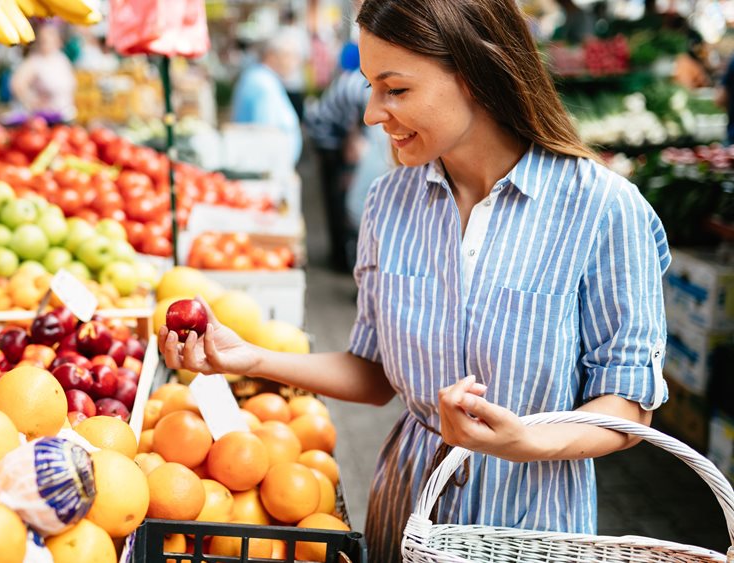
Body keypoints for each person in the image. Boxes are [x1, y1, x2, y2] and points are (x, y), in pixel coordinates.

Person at [159, 1, 671, 562]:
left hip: (531, 525)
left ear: (477, 76)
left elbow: (627, 405)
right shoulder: (388, 204)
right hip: (407, 510)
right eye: (370, 87)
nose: (371, 113)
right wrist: (248, 358)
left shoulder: (603, 209)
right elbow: (374, 372)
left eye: (395, 89)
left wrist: (527, 441)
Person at [306, 41, 371, 272]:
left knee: (342, 195)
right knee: (337, 195)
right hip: (327, 139)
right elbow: (354, 132)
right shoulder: (361, 86)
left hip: (334, 134)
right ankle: (340, 259)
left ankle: (341, 255)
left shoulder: (360, 81)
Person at [230, 35, 303, 164]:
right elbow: (266, 136)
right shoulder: (262, 83)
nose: (295, 62)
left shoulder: (263, 79)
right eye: (290, 56)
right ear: (272, 55)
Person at [10, 23, 77, 122]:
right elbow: (17, 84)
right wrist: (32, 101)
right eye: (44, 39)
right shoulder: (34, 61)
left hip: (66, 116)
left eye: (51, 37)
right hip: (46, 120)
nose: (48, 42)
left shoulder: (61, 58)